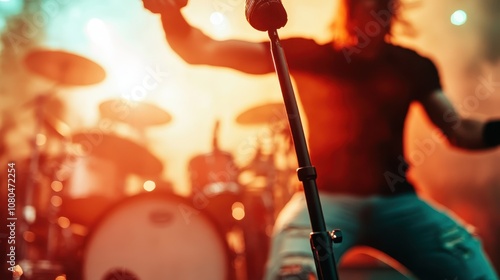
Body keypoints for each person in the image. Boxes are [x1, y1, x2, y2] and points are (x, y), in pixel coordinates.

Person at [141, 0, 500, 279]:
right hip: (324, 199)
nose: (373, 14)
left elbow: (460, 131)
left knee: (470, 267)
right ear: (348, 9)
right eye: (364, 4)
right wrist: (170, 13)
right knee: (292, 273)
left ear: (392, 12)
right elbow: (200, 49)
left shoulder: (413, 65)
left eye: (381, 5)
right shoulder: (313, 56)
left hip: (398, 202)